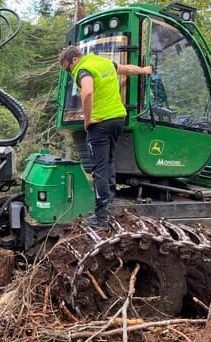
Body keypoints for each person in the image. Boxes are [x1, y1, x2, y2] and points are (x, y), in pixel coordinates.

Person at [58, 46, 152, 228]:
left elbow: (87, 92)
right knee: (108, 162)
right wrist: (144, 71)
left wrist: (87, 120)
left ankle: (101, 218)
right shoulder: (102, 62)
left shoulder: (83, 70)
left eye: (67, 68)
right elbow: (127, 69)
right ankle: (109, 205)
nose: (69, 72)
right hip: (118, 119)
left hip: (99, 124)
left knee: (99, 168)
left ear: (74, 60)